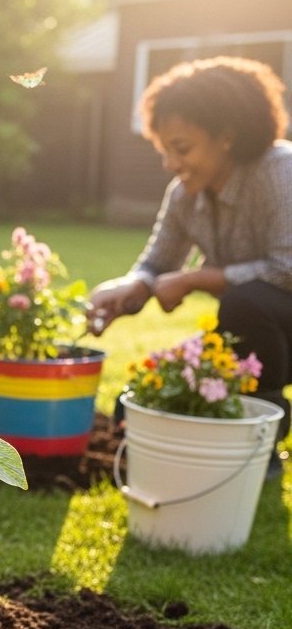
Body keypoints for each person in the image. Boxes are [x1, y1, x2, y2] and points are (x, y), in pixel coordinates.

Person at [87, 57, 292, 466]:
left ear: (226, 137)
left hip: (275, 321)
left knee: (244, 303)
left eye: (182, 149)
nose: (171, 164)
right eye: (164, 150)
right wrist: (131, 287)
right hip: (255, 332)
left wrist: (198, 278)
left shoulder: (279, 171)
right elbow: (158, 261)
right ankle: (223, 435)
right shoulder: (184, 193)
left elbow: (287, 268)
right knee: (147, 395)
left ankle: (260, 440)